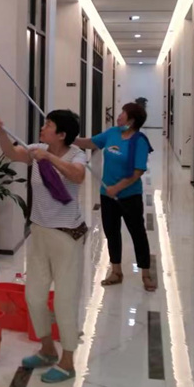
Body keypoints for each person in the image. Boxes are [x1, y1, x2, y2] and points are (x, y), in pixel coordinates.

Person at [0, 109, 88, 384]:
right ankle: (47, 350)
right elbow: (12, 153)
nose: (43, 128)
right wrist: (1, 131)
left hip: (67, 236)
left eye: (48, 125)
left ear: (62, 134)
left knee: (65, 301)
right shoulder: (36, 149)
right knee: (34, 296)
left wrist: (49, 158)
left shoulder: (76, 155)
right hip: (40, 233)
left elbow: (78, 176)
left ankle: (68, 362)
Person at [77, 102, 156, 291]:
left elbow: (138, 171)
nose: (119, 115)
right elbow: (90, 142)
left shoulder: (139, 141)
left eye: (123, 113)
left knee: (137, 233)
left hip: (130, 196)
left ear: (132, 120)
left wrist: (118, 187)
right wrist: (69, 138)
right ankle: (116, 271)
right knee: (111, 232)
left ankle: (146, 273)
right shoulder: (112, 133)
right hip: (107, 195)